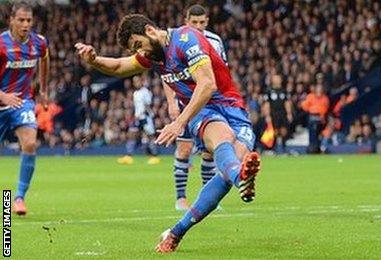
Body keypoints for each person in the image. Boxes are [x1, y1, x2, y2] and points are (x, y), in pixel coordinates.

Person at [75, 13, 260, 253]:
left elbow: (207, 84)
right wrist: (94, 59)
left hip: (232, 108)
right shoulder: (153, 56)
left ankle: (176, 232)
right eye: (135, 49)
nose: (139, 53)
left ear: (150, 31)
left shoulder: (186, 39)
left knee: (227, 171)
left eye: (138, 45)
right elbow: (121, 66)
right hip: (200, 111)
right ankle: (242, 178)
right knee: (222, 139)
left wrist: (177, 123)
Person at [164, 4, 227, 211]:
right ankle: (181, 198)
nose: (198, 27)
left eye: (202, 22)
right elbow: (168, 74)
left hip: (210, 101)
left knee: (209, 151)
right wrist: (171, 102)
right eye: (194, 23)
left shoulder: (215, 41)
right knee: (184, 148)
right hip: (185, 102)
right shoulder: (176, 41)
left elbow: (221, 73)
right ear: (186, 21)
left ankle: (206, 198)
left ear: (207, 21)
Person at [0, 2, 49, 216]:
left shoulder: (39, 43)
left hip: (23, 102)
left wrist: (44, 89)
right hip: (1, 101)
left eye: (29, 20)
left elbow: (45, 59)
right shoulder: (1, 44)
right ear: (11, 20)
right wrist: (3, 96)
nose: (26, 24)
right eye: (21, 20)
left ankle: (18, 197)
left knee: (30, 142)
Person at [117, 75, 161, 165]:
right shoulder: (135, 93)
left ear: (141, 81)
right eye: (134, 81)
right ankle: (129, 156)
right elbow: (137, 106)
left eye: (137, 81)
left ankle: (155, 156)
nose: (135, 83)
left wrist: (143, 114)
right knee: (132, 134)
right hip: (138, 117)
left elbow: (148, 105)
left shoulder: (146, 92)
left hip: (145, 117)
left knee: (150, 135)